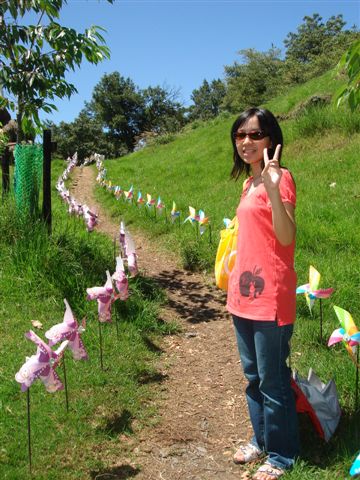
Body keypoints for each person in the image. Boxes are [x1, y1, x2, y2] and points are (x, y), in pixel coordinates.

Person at [226, 107, 299, 480]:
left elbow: (286, 238)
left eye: (255, 135)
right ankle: (262, 439)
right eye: (240, 135)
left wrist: (272, 189)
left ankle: (283, 456)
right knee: (254, 377)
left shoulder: (279, 178)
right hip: (242, 295)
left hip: (271, 296)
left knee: (273, 381)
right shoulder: (247, 183)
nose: (246, 142)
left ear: (271, 139)